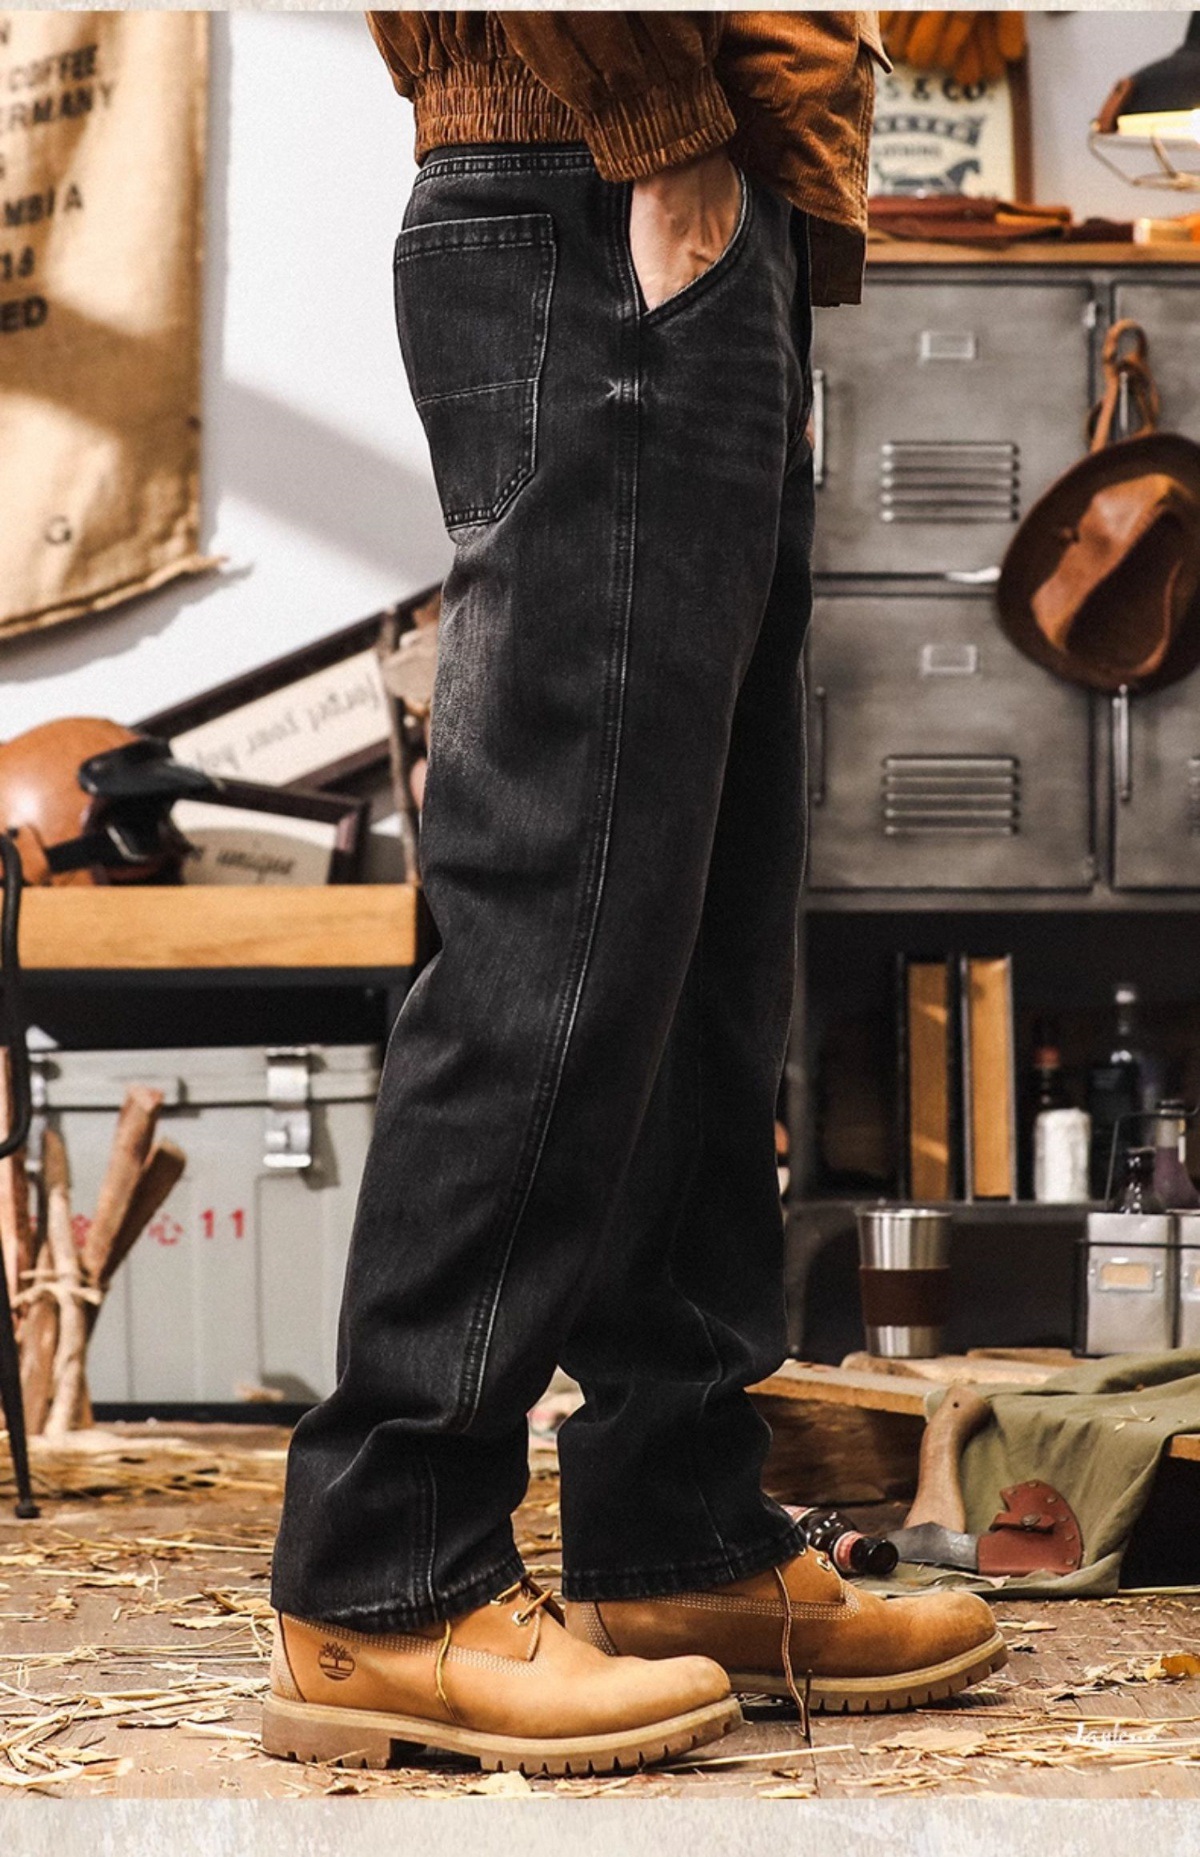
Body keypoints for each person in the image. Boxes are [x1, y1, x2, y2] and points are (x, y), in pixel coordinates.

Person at [265, 10, 1006, 1777]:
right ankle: (386, 1571)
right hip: (598, 185)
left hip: (692, 207)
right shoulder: (638, 167)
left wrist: (732, 197)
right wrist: (663, 137)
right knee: (561, 907)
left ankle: (678, 1535)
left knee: (697, 938)